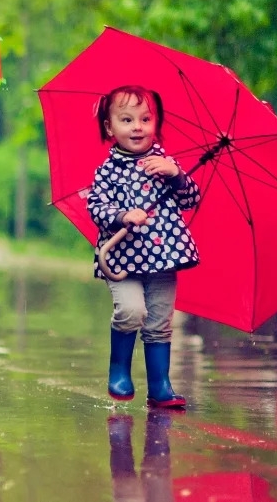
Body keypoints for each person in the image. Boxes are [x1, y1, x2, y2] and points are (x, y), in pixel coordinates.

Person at [89, 85, 199, 408]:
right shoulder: (107, 171)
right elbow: (96, 207)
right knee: (131, 310)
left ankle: (160, 386)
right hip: (122, 260)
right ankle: (119, 370)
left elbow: (190, 199)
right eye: (127, 120)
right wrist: (123, 216)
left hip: (163, 257)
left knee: (160, 322)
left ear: (156, 123)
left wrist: (176, 174)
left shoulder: (165, 164)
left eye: (145, 119)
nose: (137, 127)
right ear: (110, 127)